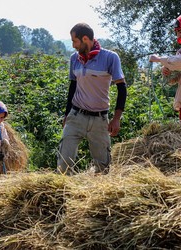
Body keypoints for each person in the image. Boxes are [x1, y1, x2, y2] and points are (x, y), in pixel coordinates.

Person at [57, 22, 127, 175]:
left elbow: (122, 88)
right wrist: (66, 115)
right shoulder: (74, 58)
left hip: (99, 120)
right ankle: (64, 195)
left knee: (103, 167)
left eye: (75, 41)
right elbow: (72, 87)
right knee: (64, 163)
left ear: (85, 39)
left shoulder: (110, 58)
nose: (73, 45)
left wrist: (116, 118)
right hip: (76, 116)